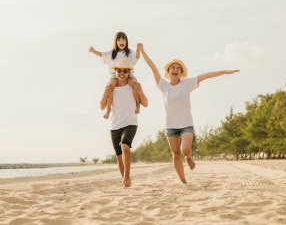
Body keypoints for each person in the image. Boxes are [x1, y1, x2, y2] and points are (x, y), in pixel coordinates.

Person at [138, 43, 239, 184]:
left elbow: (207, 75)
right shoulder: (163, 85)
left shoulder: (187, 84)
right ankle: (184, 181)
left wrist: (226, 72)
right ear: (169, 70)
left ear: (181, 72)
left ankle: (189, 157)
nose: (175, 69)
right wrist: (142, 51)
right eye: (173, 67)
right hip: (171, 126)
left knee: (185, 149)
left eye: (178, 68)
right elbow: (153, 67)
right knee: (175, 154)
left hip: (186, 124)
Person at [100, 59, 148, 187]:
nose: (122, 73)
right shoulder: (111, 86)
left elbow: (145, 103)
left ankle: (127, 176)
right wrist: (106, 91)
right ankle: (124, 180)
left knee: (125, 145)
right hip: (114, 125)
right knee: (119, 155)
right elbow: (101, 106)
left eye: (125, 71)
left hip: (130, 122)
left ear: (129, 72)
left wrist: (139, 90)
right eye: (119, 70)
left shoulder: (133, 85)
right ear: (115, 71)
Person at [89, 31, 143, 119]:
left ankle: (137, 105)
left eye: (123, 39)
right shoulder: (112, 52)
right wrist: (94, 51)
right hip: (115, 74)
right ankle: (108, 110)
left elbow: (136, 57)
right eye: (119, 40)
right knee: (110, 87)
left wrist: (138, 51)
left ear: (126, 41)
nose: (121, 41)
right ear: (115, 42)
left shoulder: (129, 52)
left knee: (135, 85)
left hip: (128, 73)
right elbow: (102, 54)